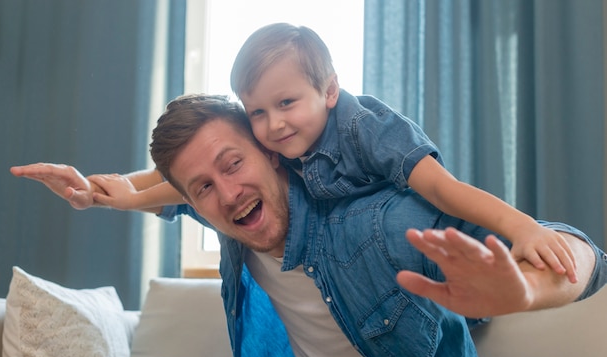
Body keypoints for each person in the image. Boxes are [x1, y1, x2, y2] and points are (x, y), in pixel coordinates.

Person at [12, 94, 607, 357]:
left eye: (233, 163)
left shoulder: (379, 222)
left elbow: (586, 256)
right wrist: (99, 194)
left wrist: (525, 292)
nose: (225, 194)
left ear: (273, 153)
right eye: (203, 189)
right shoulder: (228, 214)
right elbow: (161, 193)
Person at [230, 22, 578, 283]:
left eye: (286, 103)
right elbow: (201, 176)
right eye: (257, 112)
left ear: (330, 90)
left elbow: (443, 189)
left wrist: (523, 227)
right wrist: (173, 194)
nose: (273, 124)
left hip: (423, 243)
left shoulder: (368, 129)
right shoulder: (279, 145)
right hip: (360, 270)